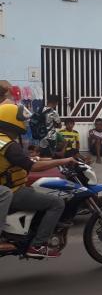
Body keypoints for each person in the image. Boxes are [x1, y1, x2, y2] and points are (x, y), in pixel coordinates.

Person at [0, 103, 75, 258]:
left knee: (37, 192)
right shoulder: (8, 145)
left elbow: (22, 160)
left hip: (13, 186)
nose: (24, 124)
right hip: (13, 191)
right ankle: (37, 245)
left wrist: (46, 159)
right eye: (21, 120)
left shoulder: (4, 141)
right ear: (11, 121)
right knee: (56, 203)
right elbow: (32, 166)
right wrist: (63, 160)